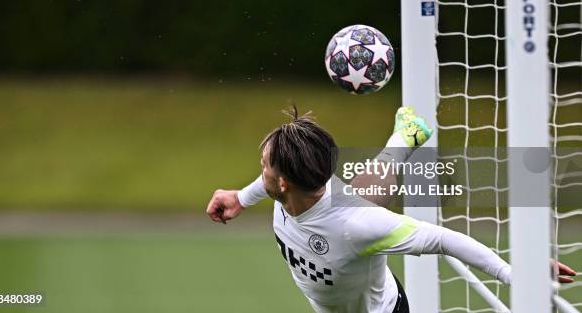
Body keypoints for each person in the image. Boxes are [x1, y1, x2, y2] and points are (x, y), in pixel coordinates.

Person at [206, 106, 576, 313]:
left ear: (283, 182)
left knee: (358, 208)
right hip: (340, 266)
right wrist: (241, 197)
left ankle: (403, 140)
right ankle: (404, 137)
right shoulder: (295, 188)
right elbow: (268, 185)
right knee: (358, 197)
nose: (261, 173)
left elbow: (444, 239)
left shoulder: (357, 226)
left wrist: (515, 275)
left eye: (263, 166)